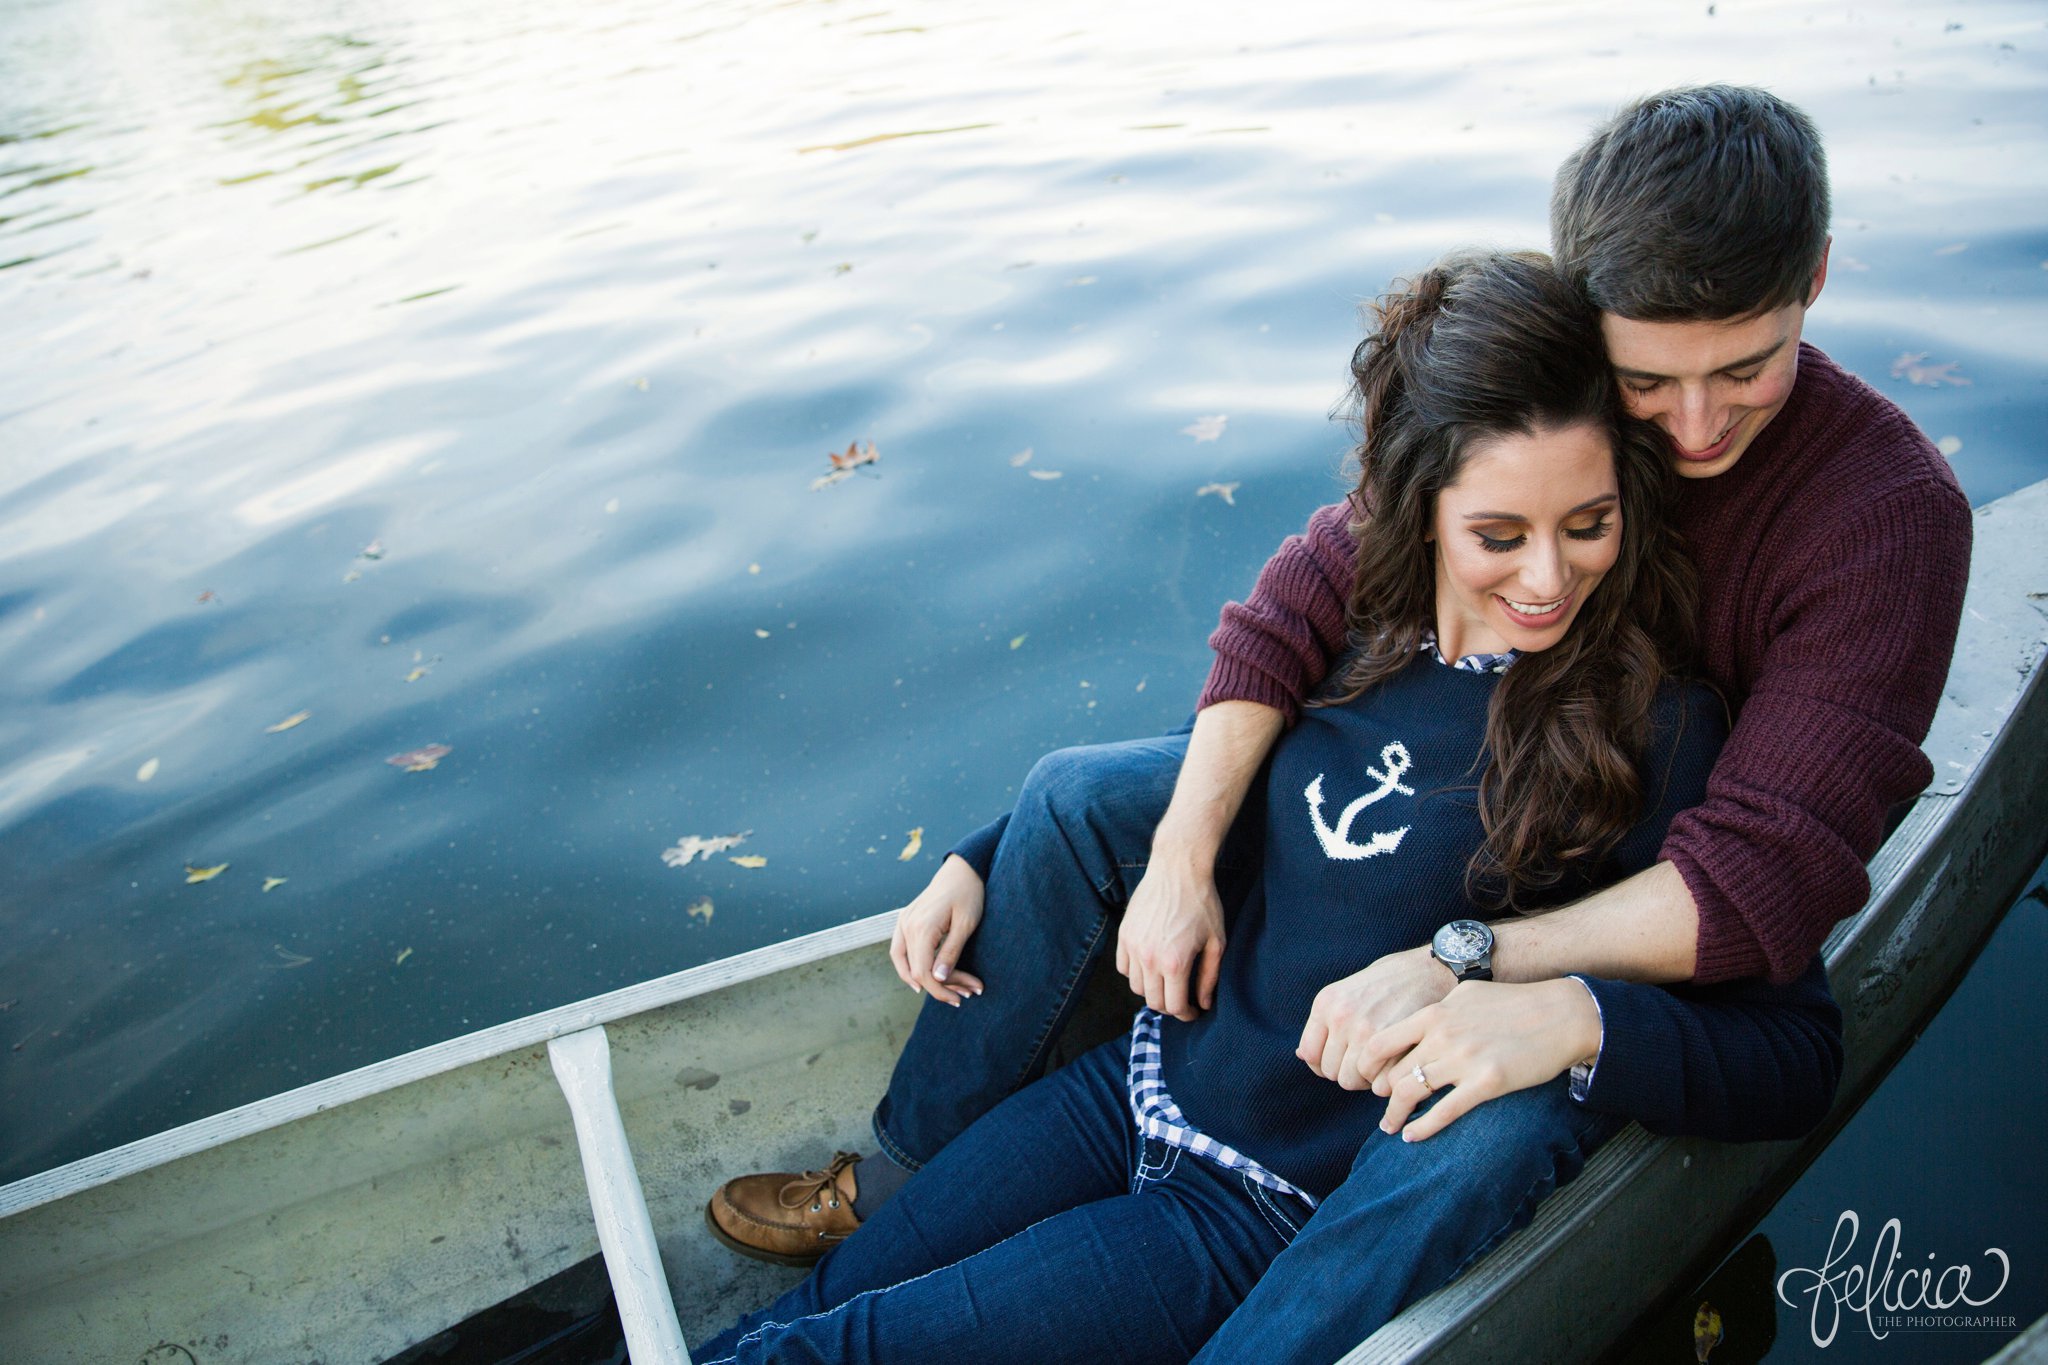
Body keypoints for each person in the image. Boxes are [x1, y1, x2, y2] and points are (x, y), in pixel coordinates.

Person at [704, 85, 1969, 1363]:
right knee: (1076, 800)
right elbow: (1295, 613)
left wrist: (1478, 960)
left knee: (1499, 1115)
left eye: (1743, 368)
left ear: (1813, 278)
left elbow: (1760, 885)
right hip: (1428, 765)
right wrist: (1079, 854)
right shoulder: (1535, 407)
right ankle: (895, 1181)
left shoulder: (1879, 523)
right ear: (1586, 331)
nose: (1695, 429)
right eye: (1649, 383)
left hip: (1610, 837)